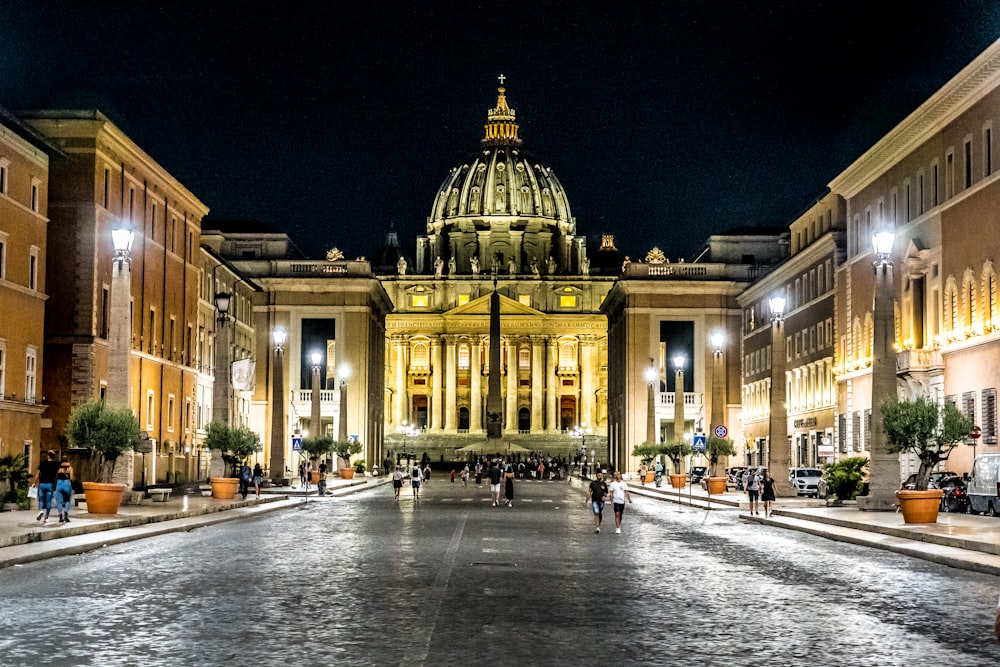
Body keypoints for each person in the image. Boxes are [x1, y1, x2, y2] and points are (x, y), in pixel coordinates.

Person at [32, 450, 60, 524]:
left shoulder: (43, 463)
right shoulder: (56, 465)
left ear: (48, 456)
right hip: (50, 484)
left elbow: (38, 474)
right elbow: (58, 474)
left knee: (41, 499)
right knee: (48, 501)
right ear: (54, 457)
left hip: (42, 484)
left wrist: (34, 483)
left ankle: (41, 510)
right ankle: (46, 517)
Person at [55, 455, 74, 524]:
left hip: (59, 483)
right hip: (67, 483)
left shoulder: (58, 468)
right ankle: (66, 514)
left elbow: (56, 476)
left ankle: (60, 516)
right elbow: (71, 478)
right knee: (67, 500)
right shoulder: (70, 468)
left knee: (59, 502)